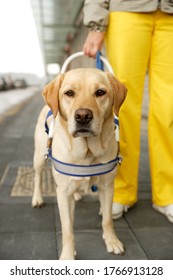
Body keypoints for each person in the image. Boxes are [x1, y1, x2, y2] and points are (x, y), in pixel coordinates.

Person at [82, 0, 173, 223]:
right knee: (123, 107)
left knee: (169, 109)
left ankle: (167, 193)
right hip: (127, 11)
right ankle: (121, 190)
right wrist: (96, 24)